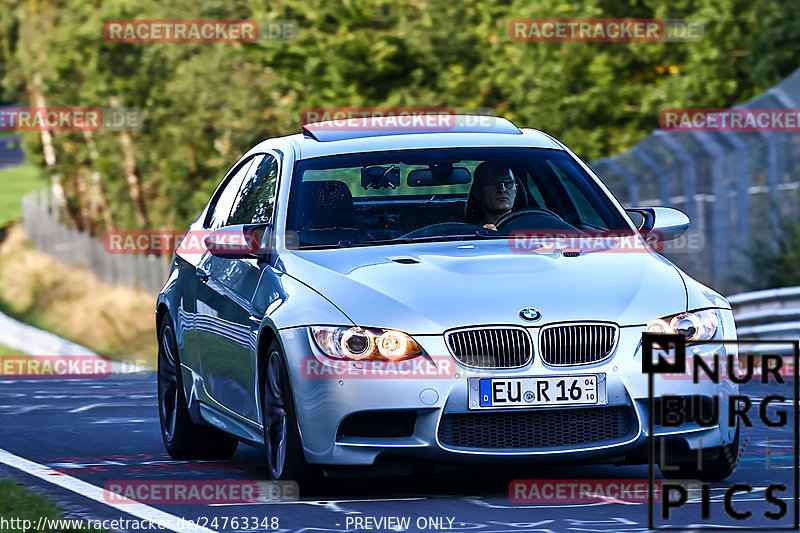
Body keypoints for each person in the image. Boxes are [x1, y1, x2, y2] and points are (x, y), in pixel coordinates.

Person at [465, 162, 518, 230]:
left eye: (508, 182)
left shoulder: (531, 227)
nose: (502, 189)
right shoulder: (468, 234)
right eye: (492, 183)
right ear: (477, 193)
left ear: (516, 190)